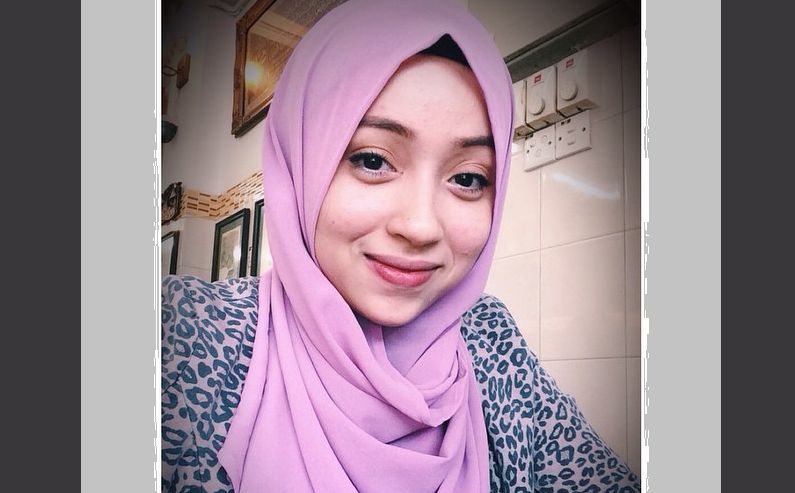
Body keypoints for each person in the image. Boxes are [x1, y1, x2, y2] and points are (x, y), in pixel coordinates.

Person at [161, 0, 641, 491]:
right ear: (300, 165)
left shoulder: (488, 337)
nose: (420, 226)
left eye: (469, 178)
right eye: (373, 160)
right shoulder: (185, 331)